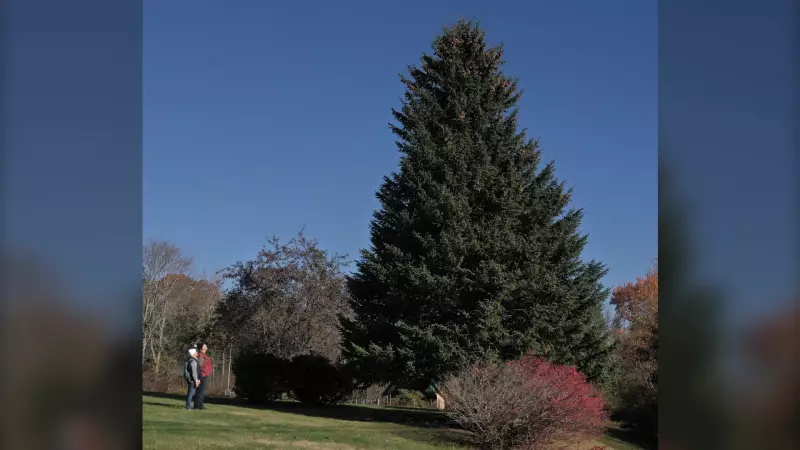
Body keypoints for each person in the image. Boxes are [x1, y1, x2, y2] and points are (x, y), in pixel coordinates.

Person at [194, 343, 213, 410]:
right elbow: (198, 366)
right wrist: (198, 376)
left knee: (202, 391)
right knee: (200, 391)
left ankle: (200, 405)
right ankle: (197, 406)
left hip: (205, 374)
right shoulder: (201, 356)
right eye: (205, 345)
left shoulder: (204, 355)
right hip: (202, 375)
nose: (206, 346)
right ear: (202, 348)